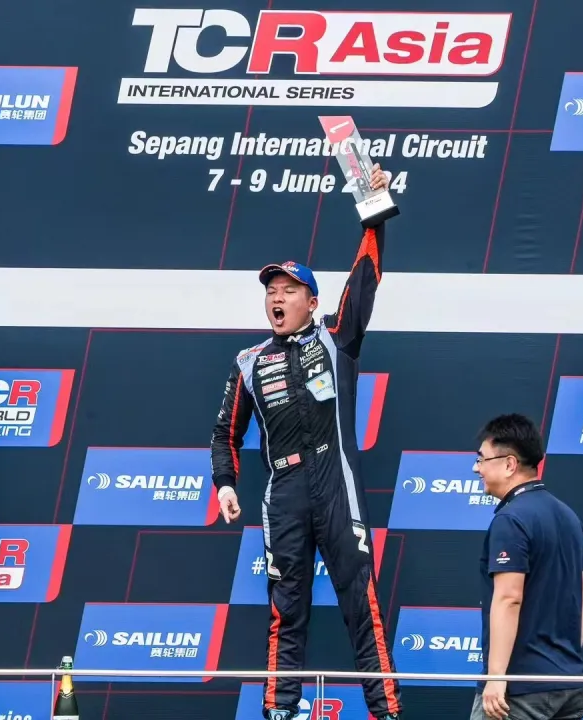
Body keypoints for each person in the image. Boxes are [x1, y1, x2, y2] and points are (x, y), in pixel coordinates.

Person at [209, 164, 402, 720]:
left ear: (311, 302)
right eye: (271, 291)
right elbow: (224, 433)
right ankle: (279, 709)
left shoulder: (338, 337)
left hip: (336, 482)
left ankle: (386, 711)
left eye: (289, 290)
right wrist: (225, 483)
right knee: (285, 609)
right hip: (285, 491)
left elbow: (366, 277)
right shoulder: (249, 361)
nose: (277, 297)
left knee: (361, 603)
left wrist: (374, 210)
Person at [471, 414, 583, 720]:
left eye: (481, 459)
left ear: (509, 464)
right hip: (570, 684)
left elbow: (509, 598)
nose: (476, 468)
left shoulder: (511, 519)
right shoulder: (570, 517)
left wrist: (496, 677)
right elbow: (582, 599)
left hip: (521, 690)